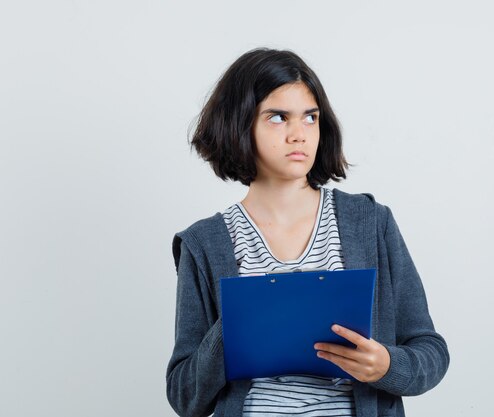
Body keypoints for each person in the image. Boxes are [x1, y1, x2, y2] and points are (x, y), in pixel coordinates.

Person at [166, 47, 450, 417]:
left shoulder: (369, 222)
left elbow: (430, 350)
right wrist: (237, 324)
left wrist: (386, 367)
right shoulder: (205, 244)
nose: (299, 134)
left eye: (310, 117)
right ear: (239, 124)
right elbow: (184, 397)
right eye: (278, 117)